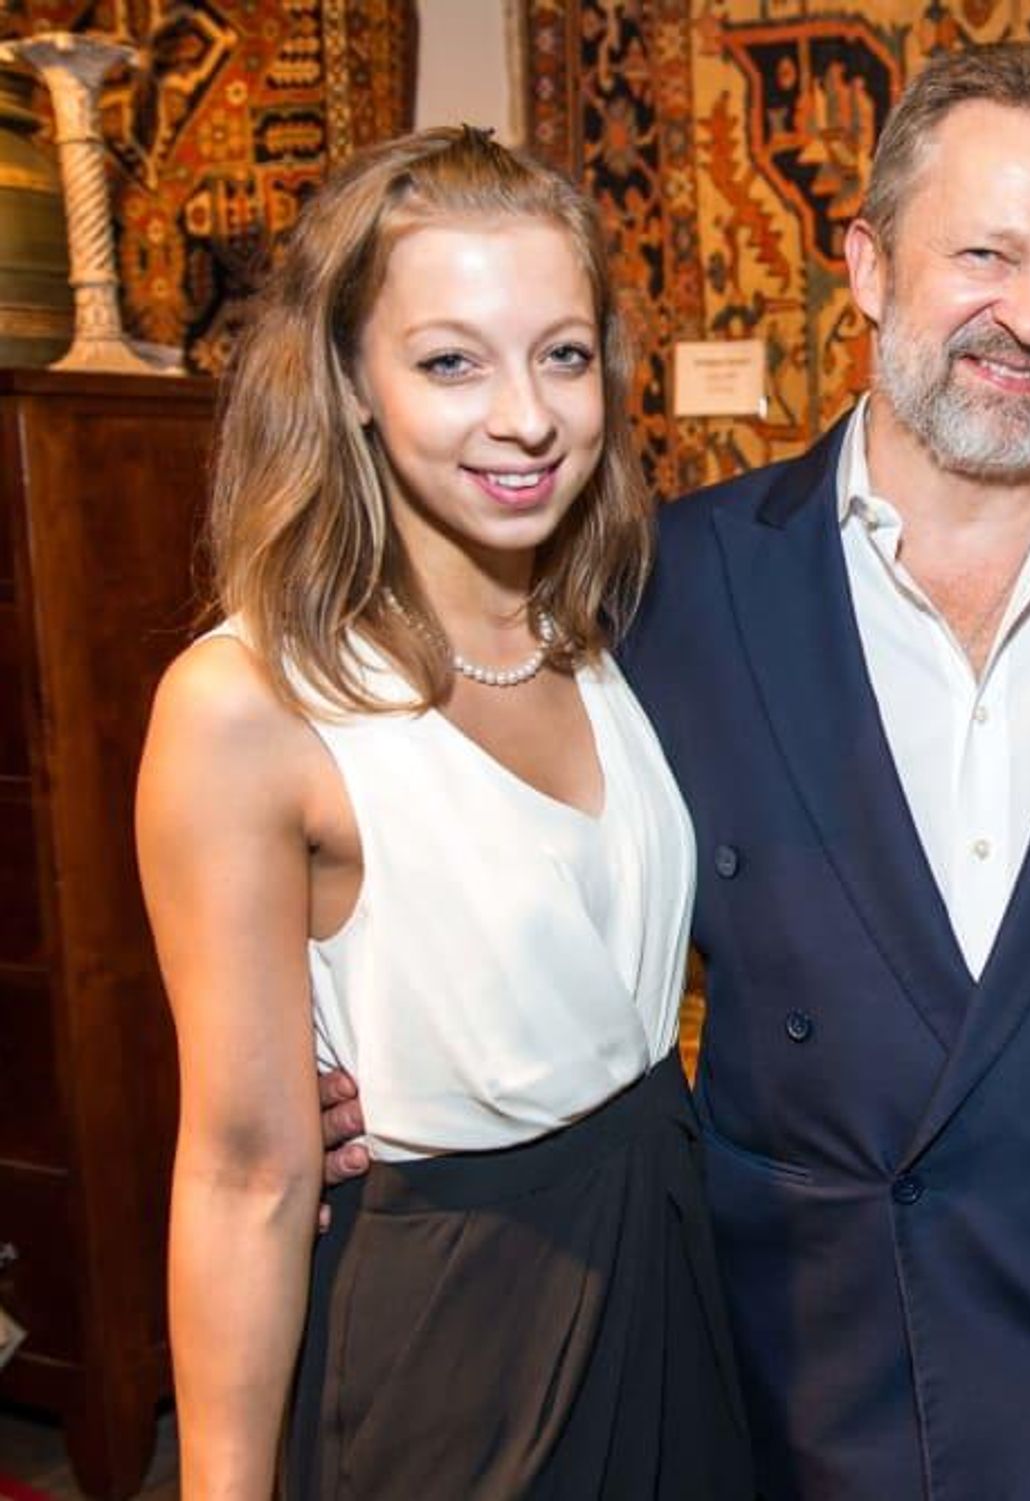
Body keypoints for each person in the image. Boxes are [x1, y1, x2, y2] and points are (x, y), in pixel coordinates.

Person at [310, 43, 1030, 1501]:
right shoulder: (670, 587)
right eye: (983, 253)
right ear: (869, 265)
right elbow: (506, 838)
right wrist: (335, 1031)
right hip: (794, 1378)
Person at [136, 127, 751, 1499]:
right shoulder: (250, 703)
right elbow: (242, 1176)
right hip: (454, 1345)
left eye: (564, 353)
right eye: (451, 360)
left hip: (665, 1275)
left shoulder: (606, 632)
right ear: (352, 378)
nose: (526, 415)